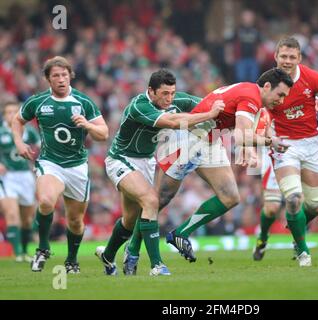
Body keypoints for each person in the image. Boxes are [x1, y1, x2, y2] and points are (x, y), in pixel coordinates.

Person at [122, 67, 293, 274]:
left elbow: (240, 131)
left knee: (230, 197)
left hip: (210, 140)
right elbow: (240, 136)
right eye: (280, 94)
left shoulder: (250, 95)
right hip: (188, 141)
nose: (281, 100)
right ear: (267, 86)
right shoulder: (251, 97)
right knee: (158, 201)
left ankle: (180, 233)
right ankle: (132, 251)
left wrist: (248, 149)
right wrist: (270, 141)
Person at [95, 69, 225, 276]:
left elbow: (208, 102)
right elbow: (173, 122)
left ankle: (108, 256)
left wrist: (239, 108)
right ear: (151, 91)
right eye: (164, 93)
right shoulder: (139, 105)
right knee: (151, 201)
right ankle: (157, 265)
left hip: (146, 162)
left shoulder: (175, 101)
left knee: (129, 221)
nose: (169, 98)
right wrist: (209, 115)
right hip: (121, 159)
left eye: (172, 93)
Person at [12, 56, 109, 273]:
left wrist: (87, 125)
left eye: (64, 74)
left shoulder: (84, 102)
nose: (61, 79)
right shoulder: (37, 102)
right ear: (48, 79)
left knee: (75, 221)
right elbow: (17, 120)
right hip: (50, 163)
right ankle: (43, 248)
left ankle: (72, 260)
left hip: (77, 166)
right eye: (55, 75)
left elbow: (104, 133)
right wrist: (19, 142)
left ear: (70, 76)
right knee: (46, 201)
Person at [266, 37, 318, 267]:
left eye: (292, 57)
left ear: (299, 58)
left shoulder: (312, 78)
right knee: (293, 198)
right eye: (283, 56)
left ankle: (295, 225)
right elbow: (260, 113)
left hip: (312, 144)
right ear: (276, 56)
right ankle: (303, 252)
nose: (287, 61)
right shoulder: (266, 82)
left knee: (315, 205)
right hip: (284, 145)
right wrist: (264, 140)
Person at [0, 102, 39, 262]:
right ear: (4, 116)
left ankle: (23, 251)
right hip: (7, 177)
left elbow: (41, 148)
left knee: (27, 218)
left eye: (15, 112)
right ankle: (17, 254)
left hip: (26, 176)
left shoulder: (29, 131)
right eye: (9, 112)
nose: (12, 115)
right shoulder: (1, 132)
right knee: (11, 213)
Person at [251, 107, 286, 261]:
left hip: (303, 150)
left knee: (304, 202)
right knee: (271, 209)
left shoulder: (307, 91)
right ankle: (263, 237)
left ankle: (300, 244)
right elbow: (255, 133)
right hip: (273, 154)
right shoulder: (268, 105)